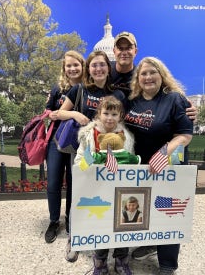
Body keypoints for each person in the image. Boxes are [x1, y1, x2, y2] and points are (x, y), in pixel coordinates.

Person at [112, 31, 196, 262]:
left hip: (168, 165)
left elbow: (185, 135)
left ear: (161, 75)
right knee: (144, 208)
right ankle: (149, 243)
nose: (148, 77)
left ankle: (168, 262)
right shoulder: (132, 101)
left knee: (169, 212)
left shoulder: (175, 99)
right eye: (143, 73)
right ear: (137, 78)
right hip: (141, 167)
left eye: (152, 73)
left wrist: (165, 151)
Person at [57, 50, 125, 263]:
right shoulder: (80, 89)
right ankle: (75, 238)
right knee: (79, 193)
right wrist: (75, 113)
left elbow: (124, 119)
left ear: (108, 68)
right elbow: (59, 113)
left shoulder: (118, 94)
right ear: (89, 69)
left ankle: (103, 238)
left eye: (102, 65)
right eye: (94, 65)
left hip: (109, 152)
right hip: (83, 150)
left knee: (106, 195)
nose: (98, 69)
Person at [73, 96, 135, 274]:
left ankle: (121, 260)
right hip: (97, 188)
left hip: (119, 189)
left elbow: (130, 161)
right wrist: (90, 164)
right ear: (99, 114)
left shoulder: (126, 137)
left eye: (114, 114)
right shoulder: (88, 135)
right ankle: (100, 261)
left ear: (120, 116)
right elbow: (79, 161)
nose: (109, 118)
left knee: (123, 225)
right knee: (100, 225)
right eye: (106, 113)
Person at [44, 50, 85, 245]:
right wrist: (73, 114)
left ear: (82, 66)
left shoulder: (88, 89)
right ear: (64, 68)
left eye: (76, 64)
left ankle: (71, 218)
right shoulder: (57, 89)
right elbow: (50, 112)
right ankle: (54, 221)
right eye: (68, 65)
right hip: (56, 141)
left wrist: (65, 114)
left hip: (78, 144)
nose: (72, 68)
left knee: (73, 183)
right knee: (53, 182)